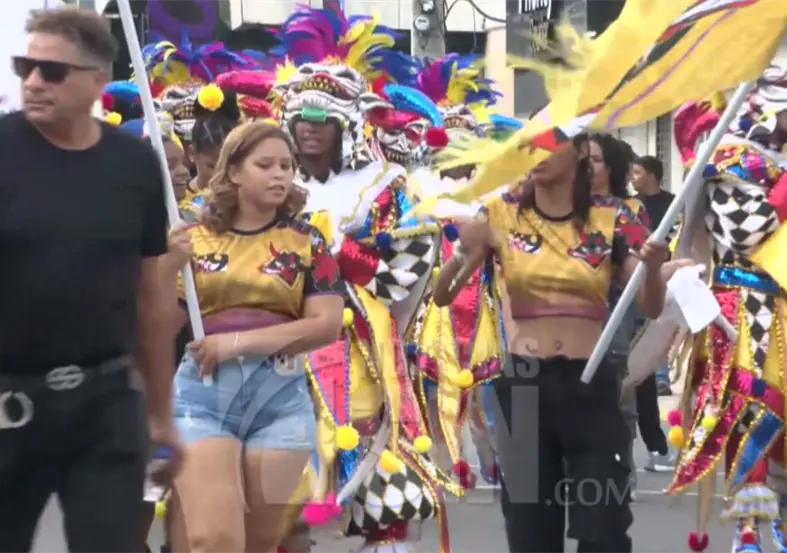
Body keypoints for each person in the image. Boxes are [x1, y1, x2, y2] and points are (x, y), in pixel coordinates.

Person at [272, 8, 460, 553]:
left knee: (381, 484)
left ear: (347, 123)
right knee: (279, 490)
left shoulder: (384, 183)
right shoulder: (268, 180)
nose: (309, 125)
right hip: (280, 350)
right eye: (301, 115)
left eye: (321, 116)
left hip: (361, 347)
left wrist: (337, 258)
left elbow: (409, 269)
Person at [433, 133, 670, 553]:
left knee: (605, 529)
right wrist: (459, 252)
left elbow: (649, 306)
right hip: (523, 386)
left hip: (591, 383)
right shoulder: (500, 213)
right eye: (526, 146)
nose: (534, 156)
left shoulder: (613, 215)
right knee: (530, 532)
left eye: (546, 146)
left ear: (578, 152)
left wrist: (652, 269)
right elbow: (443, 295)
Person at [0, 7, 180, 553]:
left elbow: (152, 295)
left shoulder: (135, 165)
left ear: (98, 80)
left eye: (51, 71)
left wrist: (160, 414)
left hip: (106, 405)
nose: (33, 81)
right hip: (10, 405)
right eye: (24, 66)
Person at [165, 121, 345, 553]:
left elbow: (325, 325)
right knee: (214, 540)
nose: (280, 174)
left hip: (279, 400)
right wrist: (164, 265)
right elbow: (159, 321)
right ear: (233, 172)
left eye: (287, 165)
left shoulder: (308, 242)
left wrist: (237, 343)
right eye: (265, 164)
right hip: (202, 399)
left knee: (259, 542)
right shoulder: (192, 237)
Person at [663, 65, 787, 553]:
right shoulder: (733, 156)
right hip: (745, 306)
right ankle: (751, 528)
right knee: (751, 411)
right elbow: (746, 231)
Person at [402, 53, 505, 486]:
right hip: (434, 307)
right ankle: (442, 462)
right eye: (445, 148)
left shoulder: (496, 197)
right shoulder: (415, 194)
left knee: (486, 395)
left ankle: (491, 461)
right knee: (431, 387)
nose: (452, 156)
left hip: (483, 306)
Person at [631, 154, 676, 396]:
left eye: (637, 173)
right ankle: (644, 373)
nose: (632, 179)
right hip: (638, 270)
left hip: (666, 269)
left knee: (661, 320)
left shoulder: (673, 202)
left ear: (651, 175)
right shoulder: (630, 205)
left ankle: (662, 376)